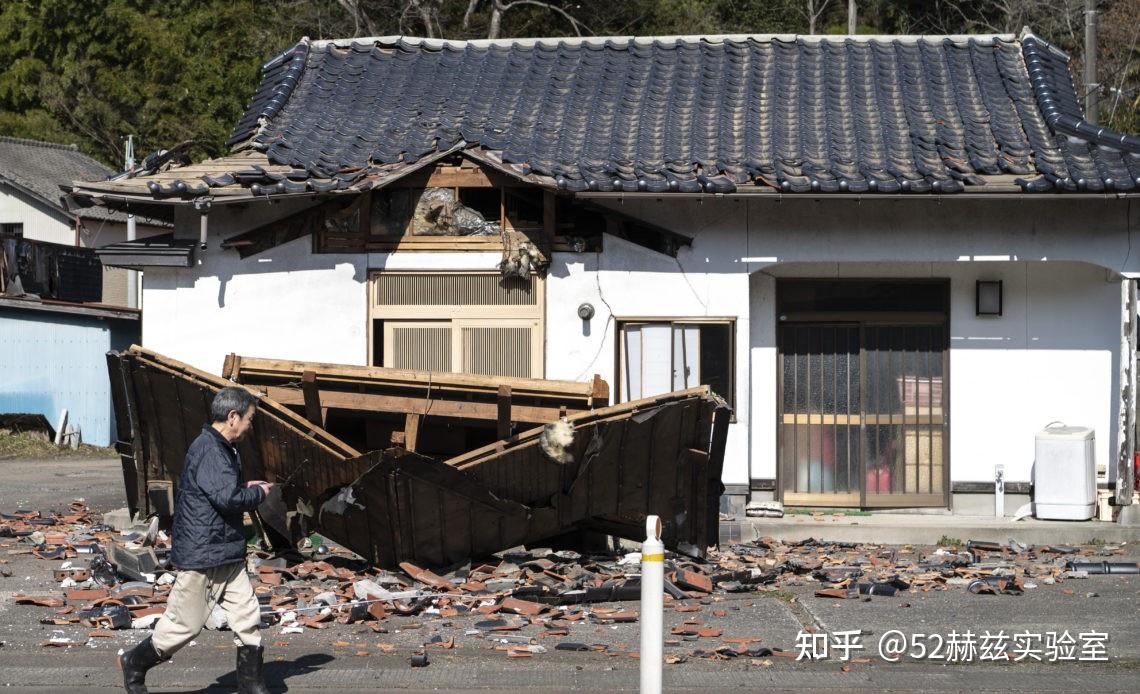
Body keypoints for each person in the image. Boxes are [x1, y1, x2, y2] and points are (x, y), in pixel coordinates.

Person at [119, 386, 273, 694]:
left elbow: (220, 490)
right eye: (249, 419)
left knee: (248, 617)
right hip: (203, 554)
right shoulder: (211, 449)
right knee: (183, 626)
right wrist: (258, 493)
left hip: (226, 553)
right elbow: (228, 499)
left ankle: (252, 686)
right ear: (233, 417)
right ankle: (134, 662)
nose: (250, 425)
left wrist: (245, 485)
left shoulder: (221, 447)